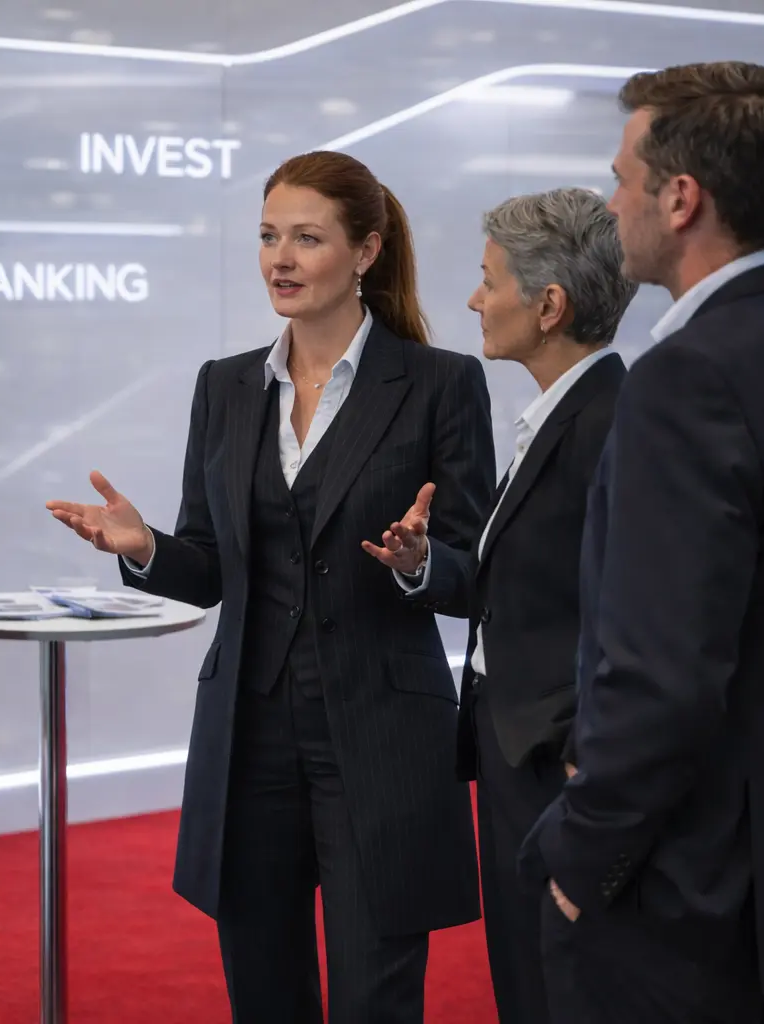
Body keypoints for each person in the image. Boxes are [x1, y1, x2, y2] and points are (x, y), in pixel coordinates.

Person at [47, 150, 494, 1023]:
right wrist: (146, 548)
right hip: (248, 737)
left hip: (382, 735)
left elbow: (476, 569)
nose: (280, 260)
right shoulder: (225, 386)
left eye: (307, 239)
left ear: (366, 251)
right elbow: (210, 570)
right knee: (263, 996)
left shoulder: (440, 383)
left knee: (374, 999)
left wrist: (419, 562)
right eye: (267, 237)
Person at [519, 61, 764, 1023]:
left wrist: (580, 859)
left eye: (622, 178)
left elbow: (663, 673)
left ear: (681, 198)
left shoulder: (688, 377)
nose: (612, 204)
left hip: (679, 893)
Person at [443, 188, 635, 1023]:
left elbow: (631, 622)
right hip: (518, 749)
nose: (475, 300)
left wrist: (583, 772)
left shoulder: (612, 425)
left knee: (556, 989)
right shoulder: (562, 416)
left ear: (549, 306)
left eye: (490, 281)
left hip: (559, 764)